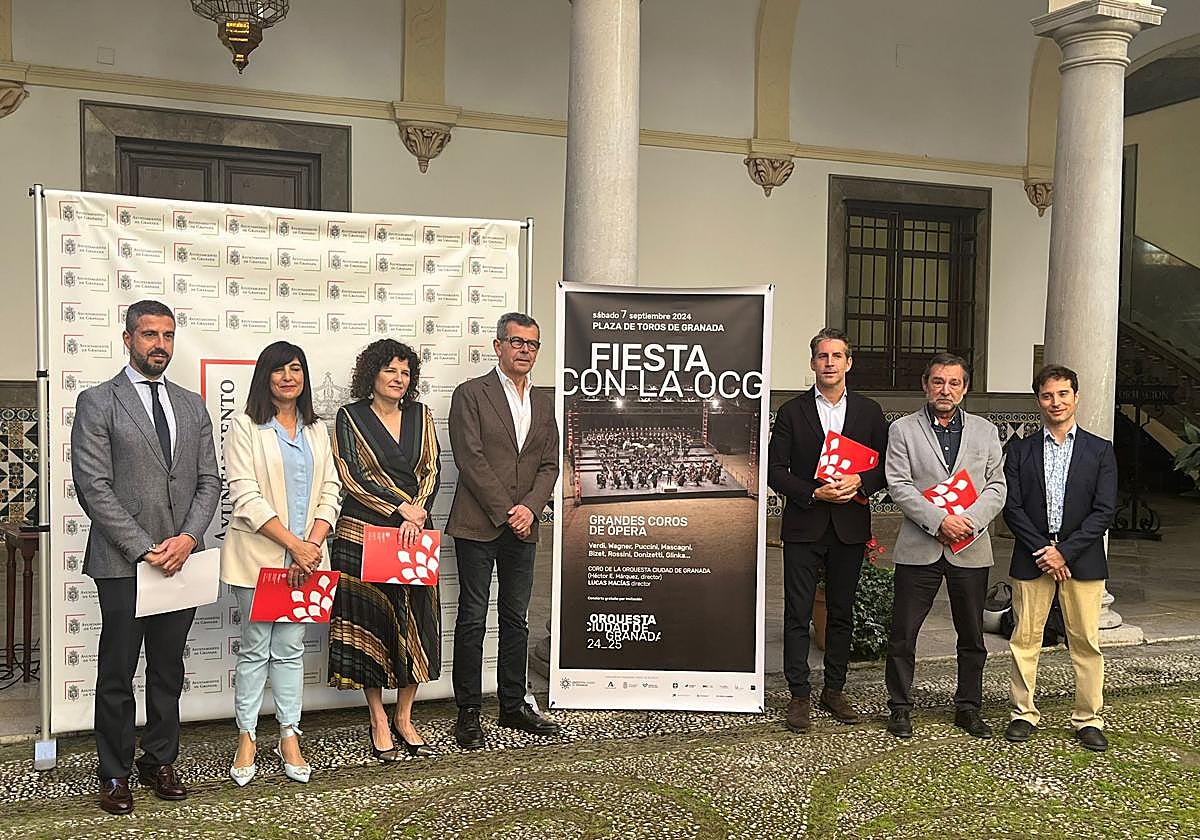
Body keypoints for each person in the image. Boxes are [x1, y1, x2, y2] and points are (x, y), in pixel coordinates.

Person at [70, 299, 220, 814]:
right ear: (128, 338)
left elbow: (207, 481)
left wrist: (187, 539)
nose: (160, 344)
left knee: (167, 670)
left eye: (168, 335)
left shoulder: (192, 403)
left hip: (182, 561)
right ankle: (113, 771)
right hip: (123, 564)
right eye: (149, 334)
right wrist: (145, 548)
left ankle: (159, 760)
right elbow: (93, 486)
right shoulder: (98, 401)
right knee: (117, 671)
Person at [221, 341, 342, 785]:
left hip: (306, 561)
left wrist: (311, 545)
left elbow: (331, 490)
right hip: (260, 560)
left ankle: (289, 734)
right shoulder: (244, 426)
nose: (288, 377)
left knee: (289, 651)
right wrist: (293, 545)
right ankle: (247, 736)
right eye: (279, 369)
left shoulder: (316, 430)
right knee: (255, 649)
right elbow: (245, 497)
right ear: (265, 376)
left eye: (296, 369)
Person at [767, 328, 888, 733]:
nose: (830, 363)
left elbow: (887, 466)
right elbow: (774, 471)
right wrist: (814, 492)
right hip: (805, 524)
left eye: (837, 356)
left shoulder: (870, 413)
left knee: (841, 613)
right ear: (813, 363)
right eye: (823, 356)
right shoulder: (791, 412)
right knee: (798, 614)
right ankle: (798, 694)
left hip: (850, 527)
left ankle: (834, 690)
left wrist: (861, 483)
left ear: (849, 363)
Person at [448, 312, 560, 749]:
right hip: (478, 525)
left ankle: (513, 705)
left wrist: (530, 508)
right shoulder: (470, 394)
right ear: (498, 346)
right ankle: (468, 712)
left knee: (516, 618)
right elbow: (469, 458)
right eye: (516, 342)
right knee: (473, 618)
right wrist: (507, 510)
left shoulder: (544, 402)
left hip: (524, 527)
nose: (524, 351)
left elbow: (550, 463)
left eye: (532, 344)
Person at [327, 339, 441, 761]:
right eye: (391, 370)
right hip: (363, 533)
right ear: (372, 373)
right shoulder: (350, 417)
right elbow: (350, 474)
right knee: (371, 624)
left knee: (417, 622)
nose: (398, 379)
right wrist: (400, 507)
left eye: (406, 373)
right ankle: (377, 715)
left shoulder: (422, 415)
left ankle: (405, 715)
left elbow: (432, 468)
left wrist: (417, 513)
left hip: (414, 534)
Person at [884, 353, 1006, 739]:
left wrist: (966, 522)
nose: (945, 390)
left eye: (954, 383)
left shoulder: (986, 431)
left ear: (965, 388)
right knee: (904, 632)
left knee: (971, 634)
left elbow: (997, 486)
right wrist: (939, 521)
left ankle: (968, 707)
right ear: (925, 385)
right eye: (938, 382)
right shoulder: (903, 430)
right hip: (920, 545)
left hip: (970, 547)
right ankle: (900, 707)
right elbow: (898, 485)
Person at [1002, 365, 1117, 751]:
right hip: (1033, 556)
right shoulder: (1019, 450)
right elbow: (1012, 508)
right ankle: (1023, 713)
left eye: (1063, 394)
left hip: (1080, 560)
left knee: (1085, 641)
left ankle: (1089, 718)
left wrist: (1064, 552)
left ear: (1076, 397)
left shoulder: (1100, 450)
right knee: (1025, 638)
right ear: (1039, 400)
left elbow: (1103, 511)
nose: (1056, 402)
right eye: (1048, 395)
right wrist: (1045, 551)